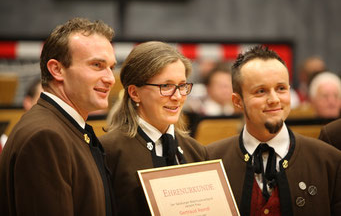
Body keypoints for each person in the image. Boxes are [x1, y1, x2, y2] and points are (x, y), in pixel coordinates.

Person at [0, 18, 117, 216]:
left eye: (111, 67)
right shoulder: (45, 136)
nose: (110, 79)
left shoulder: (63, 127)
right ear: (57, 69)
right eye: (97, 65)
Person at [207, 45, 341, 215]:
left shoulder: (330, 161)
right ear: (237, 101)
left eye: (281, 88)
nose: (274, 99)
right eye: (261, 91)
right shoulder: (210, 160)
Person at [100, 41, 208, 216]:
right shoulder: (108, 150)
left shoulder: (196, 151)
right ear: (135, 93)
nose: (178, 96)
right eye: (166, 86)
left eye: (182, 85)